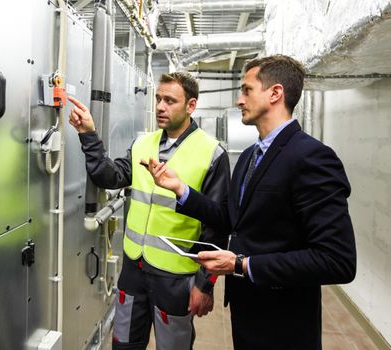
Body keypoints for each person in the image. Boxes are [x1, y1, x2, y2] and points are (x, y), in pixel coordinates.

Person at [146, 55, 357, 350]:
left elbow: (337, 261)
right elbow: (230, 220)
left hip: (284, 323)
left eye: (246, 90)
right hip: (247, 313)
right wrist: (181, 190)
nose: (238, 100)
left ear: (275, 93)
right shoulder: (248, 157)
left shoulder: (312, 157)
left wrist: (242, 264)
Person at [67, 72, 230, 349]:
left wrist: (205, 285)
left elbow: (218, 224)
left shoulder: (212, 153)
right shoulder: (144, 143)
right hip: (133, 268)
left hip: (175, 276)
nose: (160, 107)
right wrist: (88, 135)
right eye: (158, 99)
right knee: (124, 343)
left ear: (191, 106)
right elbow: (111, 177)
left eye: (170, 100)